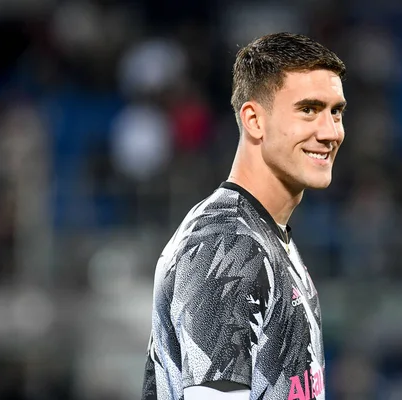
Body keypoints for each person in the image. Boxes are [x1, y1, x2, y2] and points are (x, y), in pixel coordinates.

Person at [141, 32, 347, 400]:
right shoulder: (227, 243)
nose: (330, 132)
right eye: (309, 110)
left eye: (336, 111)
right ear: (254, 120)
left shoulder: (267, 237)